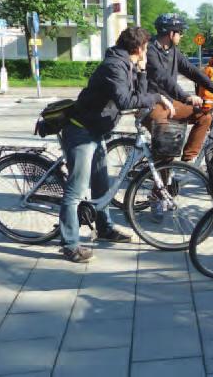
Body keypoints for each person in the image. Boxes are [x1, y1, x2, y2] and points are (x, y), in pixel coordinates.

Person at [60, 27, 173, 263]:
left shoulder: (126, 64)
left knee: (102, 185)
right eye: (146, 47)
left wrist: (142, 75)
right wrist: (157, 98)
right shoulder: (114, 65)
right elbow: (124, 101)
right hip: (81, 131)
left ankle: (105, 229)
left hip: (96, 131)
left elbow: (136, 95)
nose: (147, 52)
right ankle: (70, 244)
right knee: (76, 191)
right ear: (139, 48)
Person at [146, 13, 213, 161]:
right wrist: (186, 96)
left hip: (170, 101)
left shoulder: (172, 50)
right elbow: (162, 78)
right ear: (171, 33)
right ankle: (162, 182)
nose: (181, 36)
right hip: (151, 103)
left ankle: (187, 161)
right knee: (167, 144)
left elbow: (191, 70)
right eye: (180, 32)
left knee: (204, 116)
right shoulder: (149, 50)